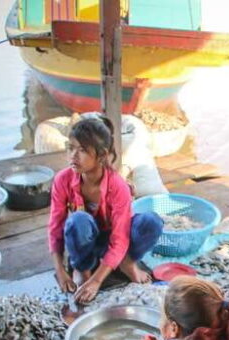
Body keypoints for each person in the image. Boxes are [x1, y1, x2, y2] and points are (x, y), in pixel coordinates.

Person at [48, 115, 163, 303]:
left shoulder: (118, 186)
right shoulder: (63, 179)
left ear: (101, 155)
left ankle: (127, 262)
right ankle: (82, 268)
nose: (73, 156)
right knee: (78, 220)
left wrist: (97, 281)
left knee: (151, 222)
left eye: (83, 150)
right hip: (86, 239)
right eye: (71, 148)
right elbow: (55, 228)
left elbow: (119, 238)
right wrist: (60, 270)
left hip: (117, 240)